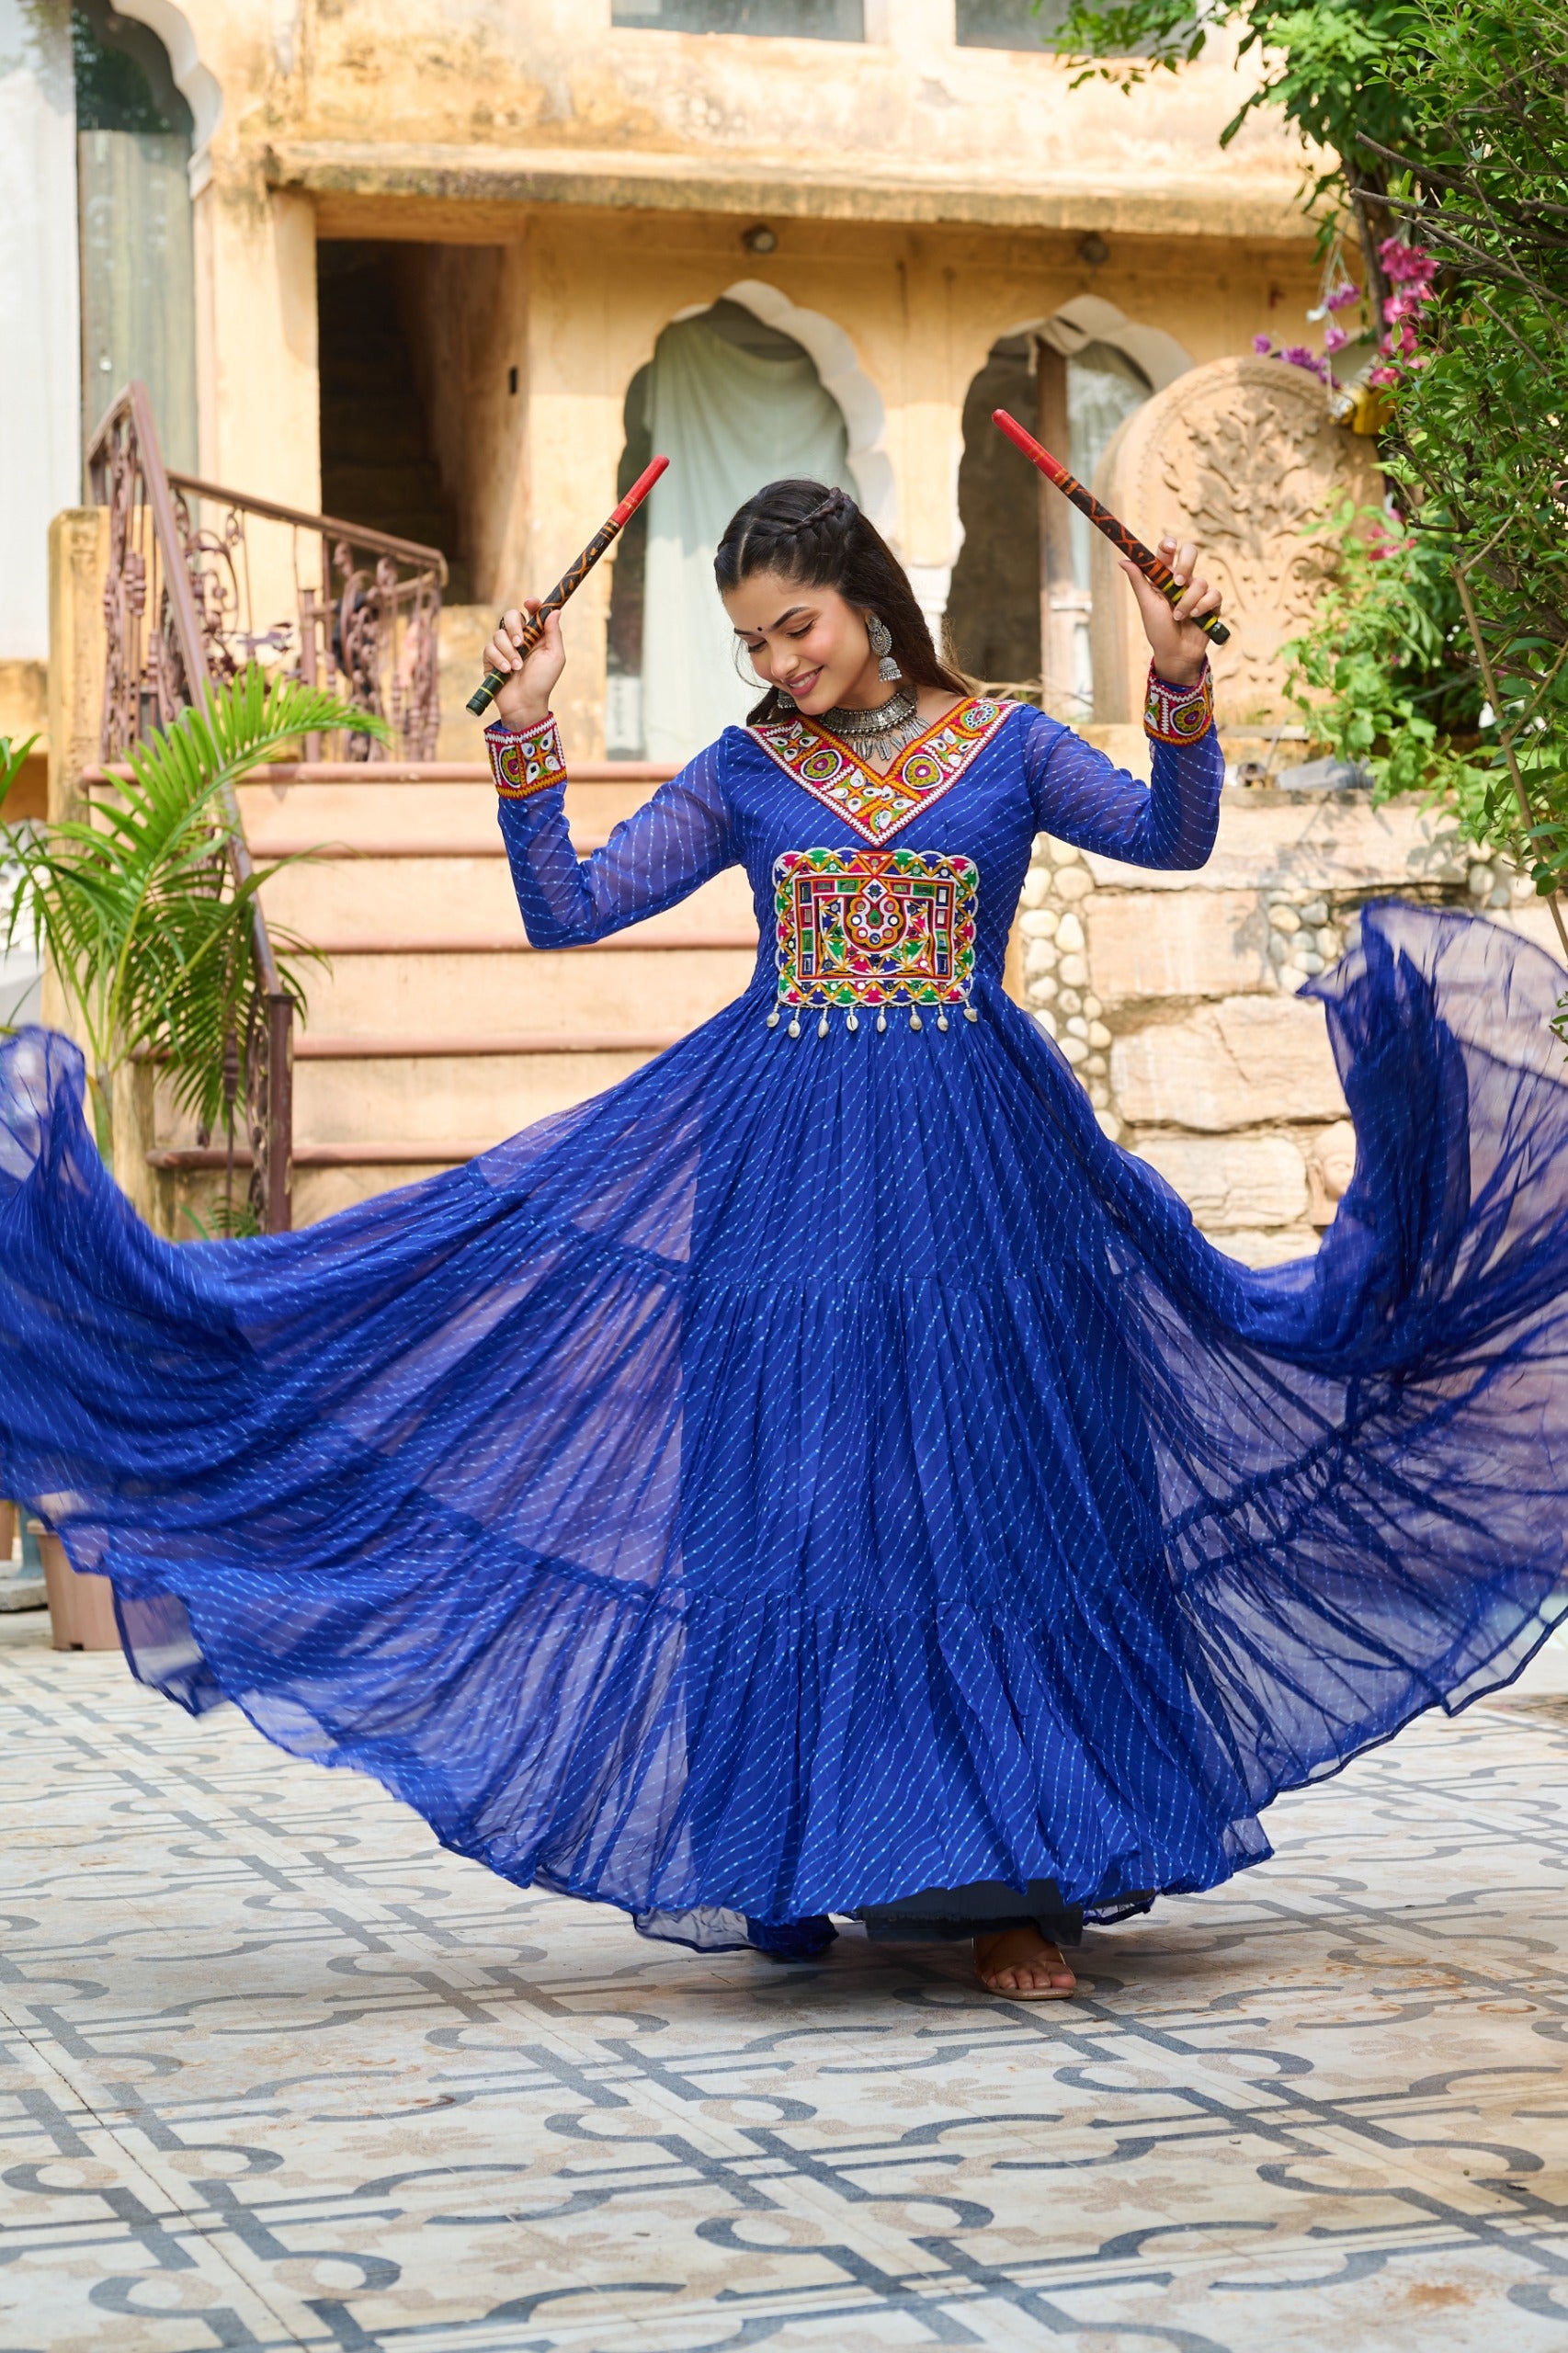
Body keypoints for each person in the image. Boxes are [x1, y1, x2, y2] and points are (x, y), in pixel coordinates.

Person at [3, 483, 1564, 2003]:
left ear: (869, 598)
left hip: (978, 1165)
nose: (777, 664)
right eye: (751, 642)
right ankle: (814, 1852)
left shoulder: (1006, 744)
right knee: (811, 1495)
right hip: (783, 1168)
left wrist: (1172, 672)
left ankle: (1015, 1886)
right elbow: (568, 909)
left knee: (988, 1484)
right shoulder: (747, 772)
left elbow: (1171, 835)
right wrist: (526, 725)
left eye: (793, 627)